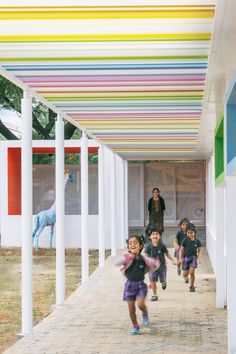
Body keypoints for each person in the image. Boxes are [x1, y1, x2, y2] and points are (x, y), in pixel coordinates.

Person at [115, 235, 159, 335]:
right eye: (130, 243)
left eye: (135, 242)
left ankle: (145, 313)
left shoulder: (144, 259)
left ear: (140, 245)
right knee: (131, 308)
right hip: (129, 286)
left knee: (140, 305)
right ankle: (135, 325)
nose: (132, 245)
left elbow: (155, 265)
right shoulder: (126, 258)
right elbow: (116, 263)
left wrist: (152, 273)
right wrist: (128, 257)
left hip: (140, 286)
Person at [144, 227, 177, 301]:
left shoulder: (162, 245)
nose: (155, 235)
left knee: (162, 279)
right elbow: (146, 255)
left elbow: (167, 254)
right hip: (152, 268)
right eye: (153, 234)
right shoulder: (148, 246)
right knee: (152, 281)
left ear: (159, 237)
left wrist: (173, 260)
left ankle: (164, 282)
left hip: (162, 267)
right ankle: (154, 295)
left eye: (157, 234)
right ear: (150, 237)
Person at [177, 223, 201, 292]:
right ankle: (185, 276)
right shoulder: (185, 240)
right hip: (186, 258)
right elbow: (181, 250)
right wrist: (180, 258)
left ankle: (192, 286)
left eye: (192, 233)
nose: (190, 234)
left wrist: (199, 258)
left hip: (193, 258)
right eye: (188, 233)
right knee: (185, 274)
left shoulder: (197, 241)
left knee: (192, 272)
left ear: (195, 233)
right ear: (186, 233)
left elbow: (199, 250)